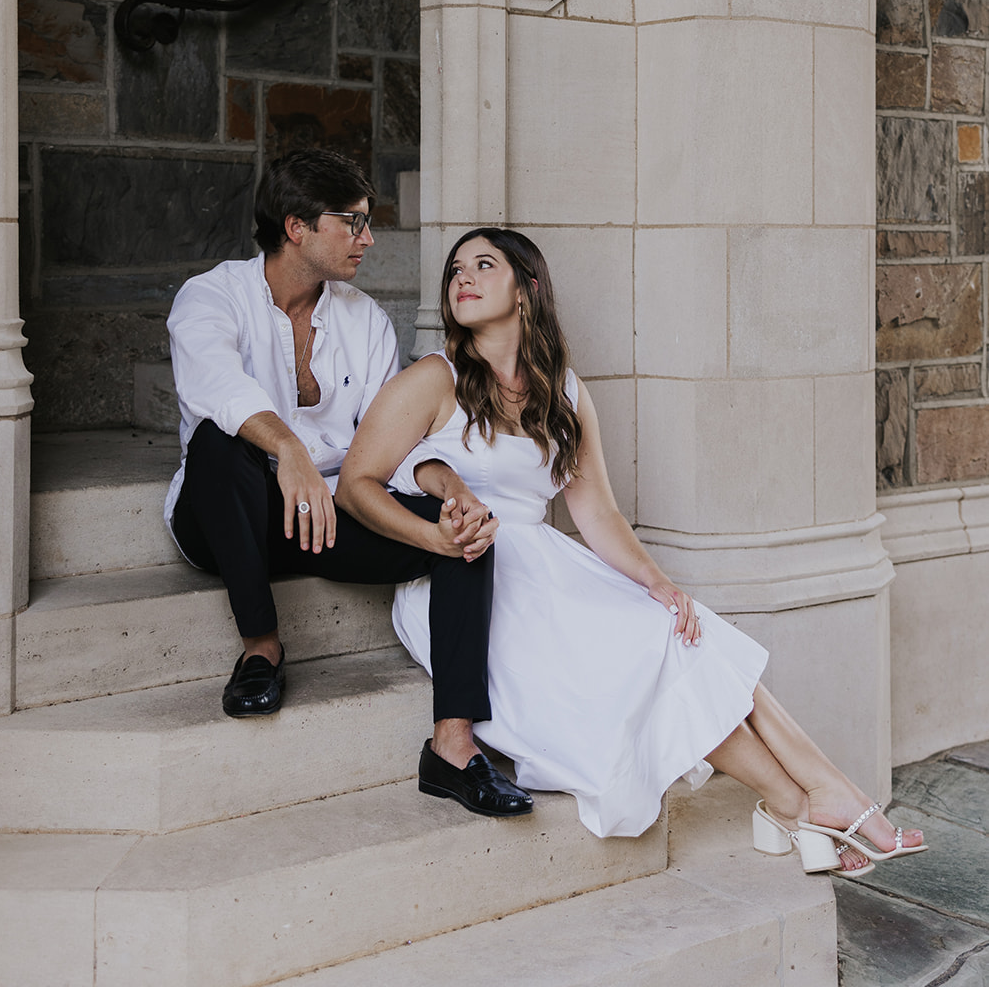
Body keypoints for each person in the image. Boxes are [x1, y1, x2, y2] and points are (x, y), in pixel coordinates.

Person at [337, 227, 928, 872]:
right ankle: (813, 797)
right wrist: (431, 534)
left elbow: (598, 513)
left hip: (551, 569)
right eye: (455, 271)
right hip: (471, 583)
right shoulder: (434, 379)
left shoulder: (563, 390)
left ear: (527, 290)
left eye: (483, 265)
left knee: (689, 632)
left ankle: (804, 797)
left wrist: (659, 582)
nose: (462, 279)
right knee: (655, 653)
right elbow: (355, 485)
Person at [163, 154, 531, 817]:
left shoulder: (365, 321)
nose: (368, 240)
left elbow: (390, 444)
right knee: (220, 445)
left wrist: (445, 487)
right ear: (297, 226)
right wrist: (289, 451)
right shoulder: (211, 296)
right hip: (226, 517)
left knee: (466, 535)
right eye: (353, 224)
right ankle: (260, 648)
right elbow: (217, 385)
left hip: (322, 520)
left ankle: (452, 746)